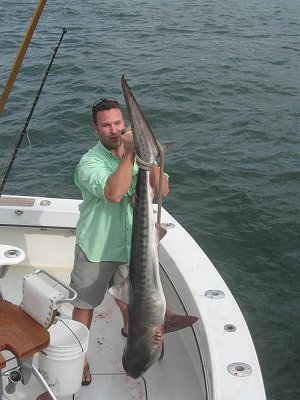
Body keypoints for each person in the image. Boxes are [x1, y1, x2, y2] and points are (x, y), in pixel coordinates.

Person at [70, 98, 197, 386]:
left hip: (134, 247)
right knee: (85, 304)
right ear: (96, 128)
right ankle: (79, 357)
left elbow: (162, 188)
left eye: (118, 123)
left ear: (123, 124)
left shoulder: (140, 158)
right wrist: (129, 154)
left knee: (131, 302)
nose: (114, 130)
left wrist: (148, 157)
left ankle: (135, 338)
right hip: (98, 247)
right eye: (106, 125)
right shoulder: (90, 162)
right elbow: (114, 193)